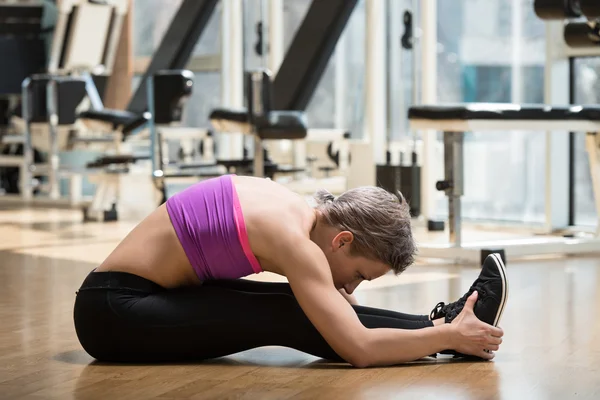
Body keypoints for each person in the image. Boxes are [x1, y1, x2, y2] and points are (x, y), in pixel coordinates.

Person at [73, 174, 507, 367]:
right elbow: (359, 349)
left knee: (298, 304)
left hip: (132, 300)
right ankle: (450, 330)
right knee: (289, 312)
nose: (351, 286)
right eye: (358, 273)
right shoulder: (292, 240)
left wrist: (431, 330)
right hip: (114, 314)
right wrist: (445, 339)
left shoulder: (291, 207)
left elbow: (339, 308)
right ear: (343, 240)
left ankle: (446, 321)